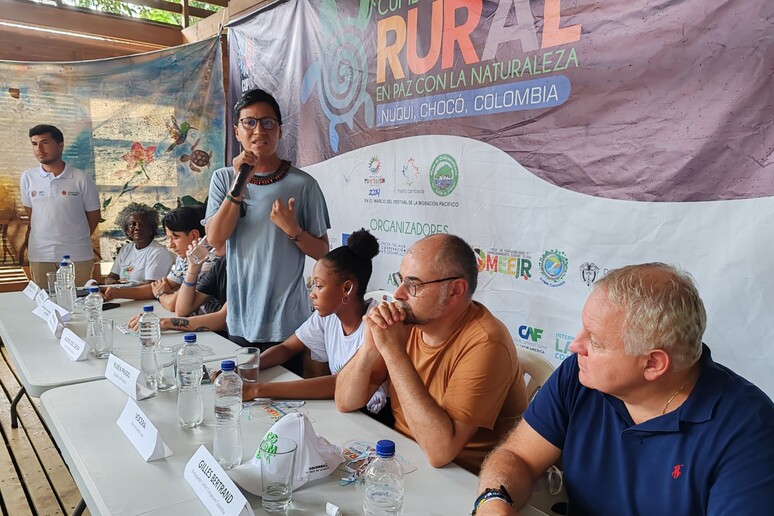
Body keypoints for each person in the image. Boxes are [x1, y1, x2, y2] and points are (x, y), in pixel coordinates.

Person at [474, 263, 774, 515]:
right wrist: (493, 501)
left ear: (654, 364)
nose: (576, 345)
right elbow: (518, 457)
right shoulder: (579, 374)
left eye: (596, 340)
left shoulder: (748, 431)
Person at [335, 234, 527, 473]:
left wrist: (393, 352)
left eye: (413, 284)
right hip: (404, 457)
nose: (398, 294)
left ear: (456, 290)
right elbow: (345, 401)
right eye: (401, 279)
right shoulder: (407, 323)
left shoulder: (487, 343)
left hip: (465, 478)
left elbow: (440, 452)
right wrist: (370, 347)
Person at [205, 88, 330, 376]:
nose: (258, 129)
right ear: (237, 131)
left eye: (267, 122)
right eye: (249, 122)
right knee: (239, 396)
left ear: (280, 131)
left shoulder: (304, 185)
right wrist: (240, 182)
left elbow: (323, 252)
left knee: (282, 400)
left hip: (286, 322)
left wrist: (293, 229)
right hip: (240, 318)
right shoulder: (223, 179)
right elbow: (215, 239)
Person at [237, 229, 391, 423]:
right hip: (344, 410)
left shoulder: (376, 325)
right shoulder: (328, 316)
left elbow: (337, 383)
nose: (312, 293)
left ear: (347, 288)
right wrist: (242, 370)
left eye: (319, 285)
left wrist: (257, 390)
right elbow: (287, 347)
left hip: (372, 420)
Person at [20, 124, 101, 288]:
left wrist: (73, 237)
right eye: (34, 144)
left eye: (45, 142)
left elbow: (93, 216)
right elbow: (32, 214)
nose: (39, 149)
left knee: (79, 304)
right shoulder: (28, 177)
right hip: (41, 254)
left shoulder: (81, 178)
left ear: (60, 145)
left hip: (77, 255)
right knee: (45, 305)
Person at [103, 205, 212, 308]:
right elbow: (157, 287)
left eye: (175, 237)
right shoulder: (184, 258)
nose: (170, 245)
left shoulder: (208, 260)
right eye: (132, 224)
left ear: (194, 235)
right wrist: (115, 292)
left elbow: (174, 305)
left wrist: (161, 294)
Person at [128, 240, 228, 337]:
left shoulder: (240, 266)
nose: (209, 239)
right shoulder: (222, 264)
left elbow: (224, 319)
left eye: (175, 237)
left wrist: (163, 323)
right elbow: (182, 310)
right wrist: (193, 268)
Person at [104, 203, 174, 285]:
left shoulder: (158, 252)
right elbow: (111, 276)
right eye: (132, 224)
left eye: (142, 224)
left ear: (151, 229)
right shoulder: (125, 249)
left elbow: (150, 287)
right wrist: (111, 282)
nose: (137, 227)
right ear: (127, 231)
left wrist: (121, 289)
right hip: (123, 294)